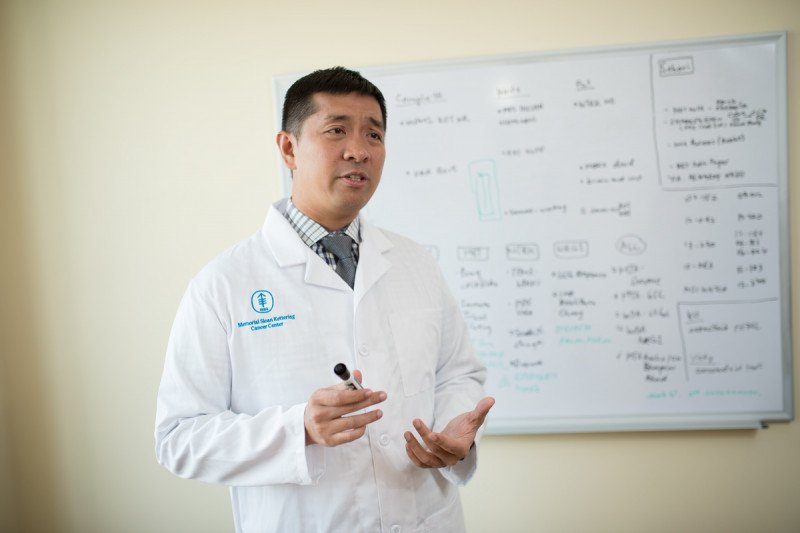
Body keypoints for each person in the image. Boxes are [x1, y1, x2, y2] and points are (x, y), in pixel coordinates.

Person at [155, 66, 494, 533]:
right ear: (289, 148)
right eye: (337, 130)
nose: (359, 149)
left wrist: (455, 428)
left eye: (373, 134)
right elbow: (179, 438)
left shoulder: (416, 263)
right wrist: (299, 431)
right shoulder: (223, 284)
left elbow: (457, 371)